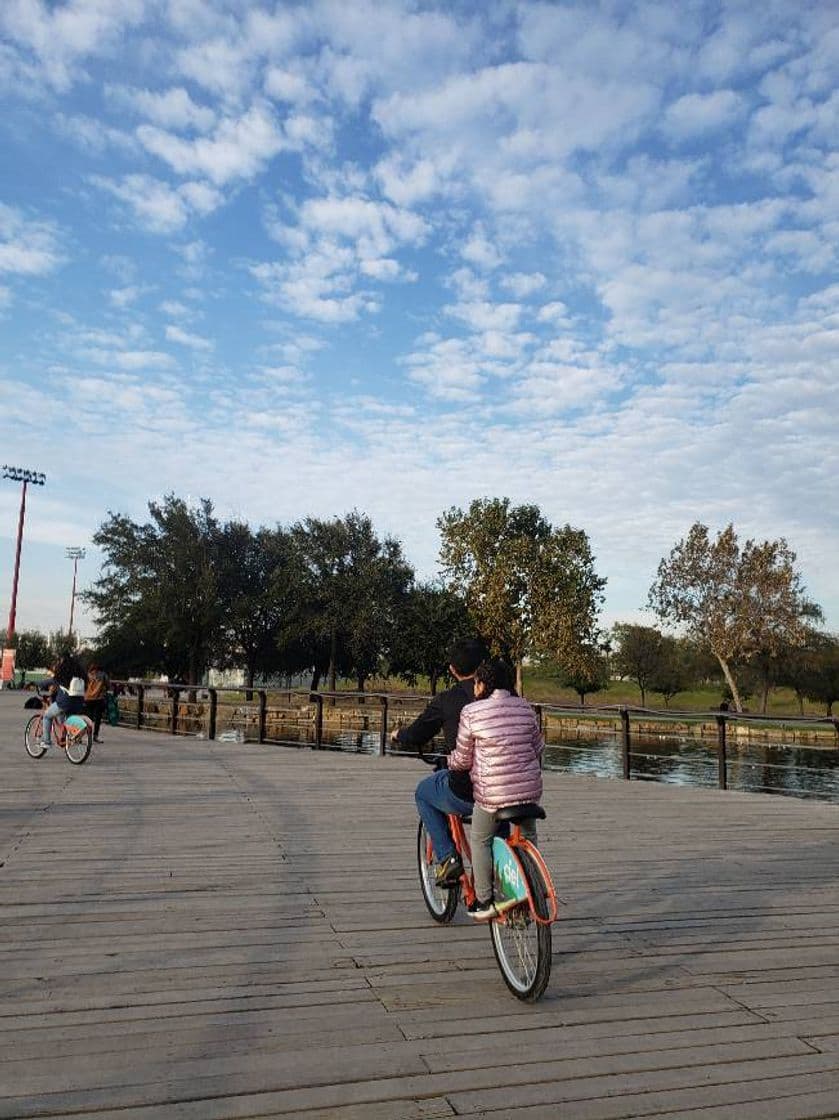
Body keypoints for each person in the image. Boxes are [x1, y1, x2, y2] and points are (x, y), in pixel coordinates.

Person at [447, 658, 544, 921]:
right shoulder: (525, 708)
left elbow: (463, 760)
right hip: (529, 792)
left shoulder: (472, 712)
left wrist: (449, 760)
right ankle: (533, 886)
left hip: (492, 795)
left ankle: (484, 899)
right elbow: (538, 748)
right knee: (527, 835)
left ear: (481, 684)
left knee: (481, 839)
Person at [391, 637, 487, 887]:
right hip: (512, 787)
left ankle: (447, 857)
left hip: (469, 790)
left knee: (424, 792)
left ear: (452, 669)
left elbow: (418, 733)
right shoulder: (505, 695)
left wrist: (399, 735)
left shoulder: (448, 700)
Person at [41, 674, 86, 747]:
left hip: (65, 702)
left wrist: (37, 683)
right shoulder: (80, 674)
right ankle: (69, 734)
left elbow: (52, 681)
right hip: (79, 702)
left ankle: (46, 742)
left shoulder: (64, 672)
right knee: (66, 717)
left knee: (47, 716)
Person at [84, 663, 110, 743]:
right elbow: (108, 685)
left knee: (88, 718)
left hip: (88, 698)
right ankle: (95, 736)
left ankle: (84, 735)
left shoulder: (87, 675)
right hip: (99, 698)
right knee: (98, 718)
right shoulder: (103, 675)